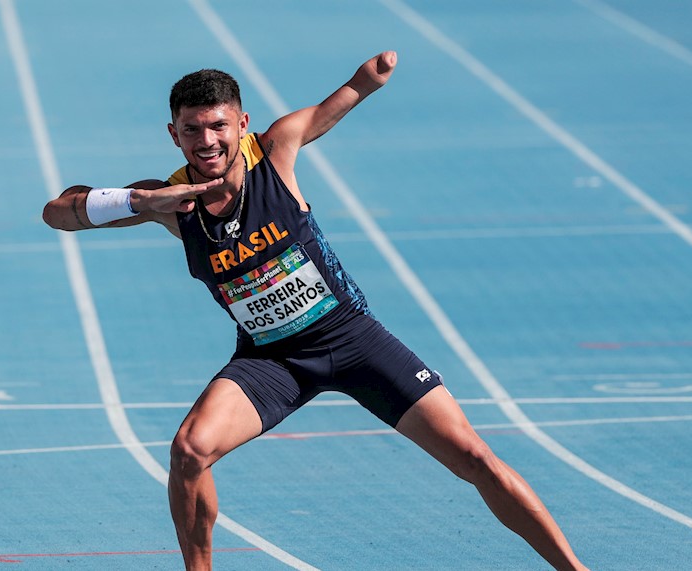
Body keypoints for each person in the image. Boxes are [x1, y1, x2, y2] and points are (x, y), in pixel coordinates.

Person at [42, 51, 587, 571]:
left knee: (474, 457)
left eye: (218, 126)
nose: (206, 142)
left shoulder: (277, 152)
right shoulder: (171, 202)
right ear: (174, 134)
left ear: (242, 124)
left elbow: (343, 97)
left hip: (352, 340)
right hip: (271, 361)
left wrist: (370, 79)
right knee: (189, 451)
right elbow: (58, 213)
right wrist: (142, 202)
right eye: (192, 130)